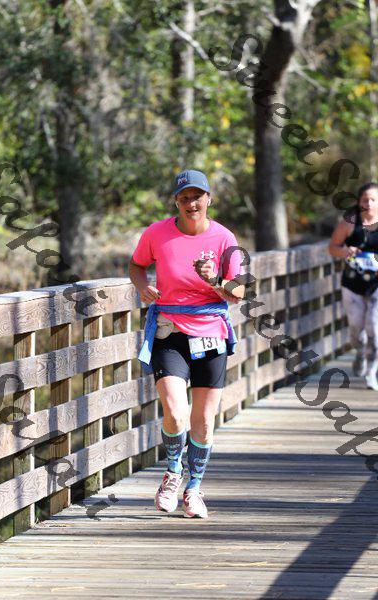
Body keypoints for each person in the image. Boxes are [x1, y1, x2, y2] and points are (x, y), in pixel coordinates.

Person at [128, 169, 244, 518]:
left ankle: (194, 489)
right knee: (176, 413)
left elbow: (239, 292)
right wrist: (142, 286)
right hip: (170, 331)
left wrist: (216, 279)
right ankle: (173, 472)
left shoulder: (224, 238)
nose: (191, 203)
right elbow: (136, 265)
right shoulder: (157, 233)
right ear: (176, 202)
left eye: (197, 197)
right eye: (184, 198)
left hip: (210, 332)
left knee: (204, 421)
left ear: (209, 199)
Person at [328, 182, 378, 390]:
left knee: (374, 326)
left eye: (374, 199)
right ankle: (360, 351)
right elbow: (332, 247)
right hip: (352, 283)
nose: (369, 203)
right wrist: (345, 252)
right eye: (365, 199)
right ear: (359, 202)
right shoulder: (349, 223)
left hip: (376, 285)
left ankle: (371, 372)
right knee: (357, 329)